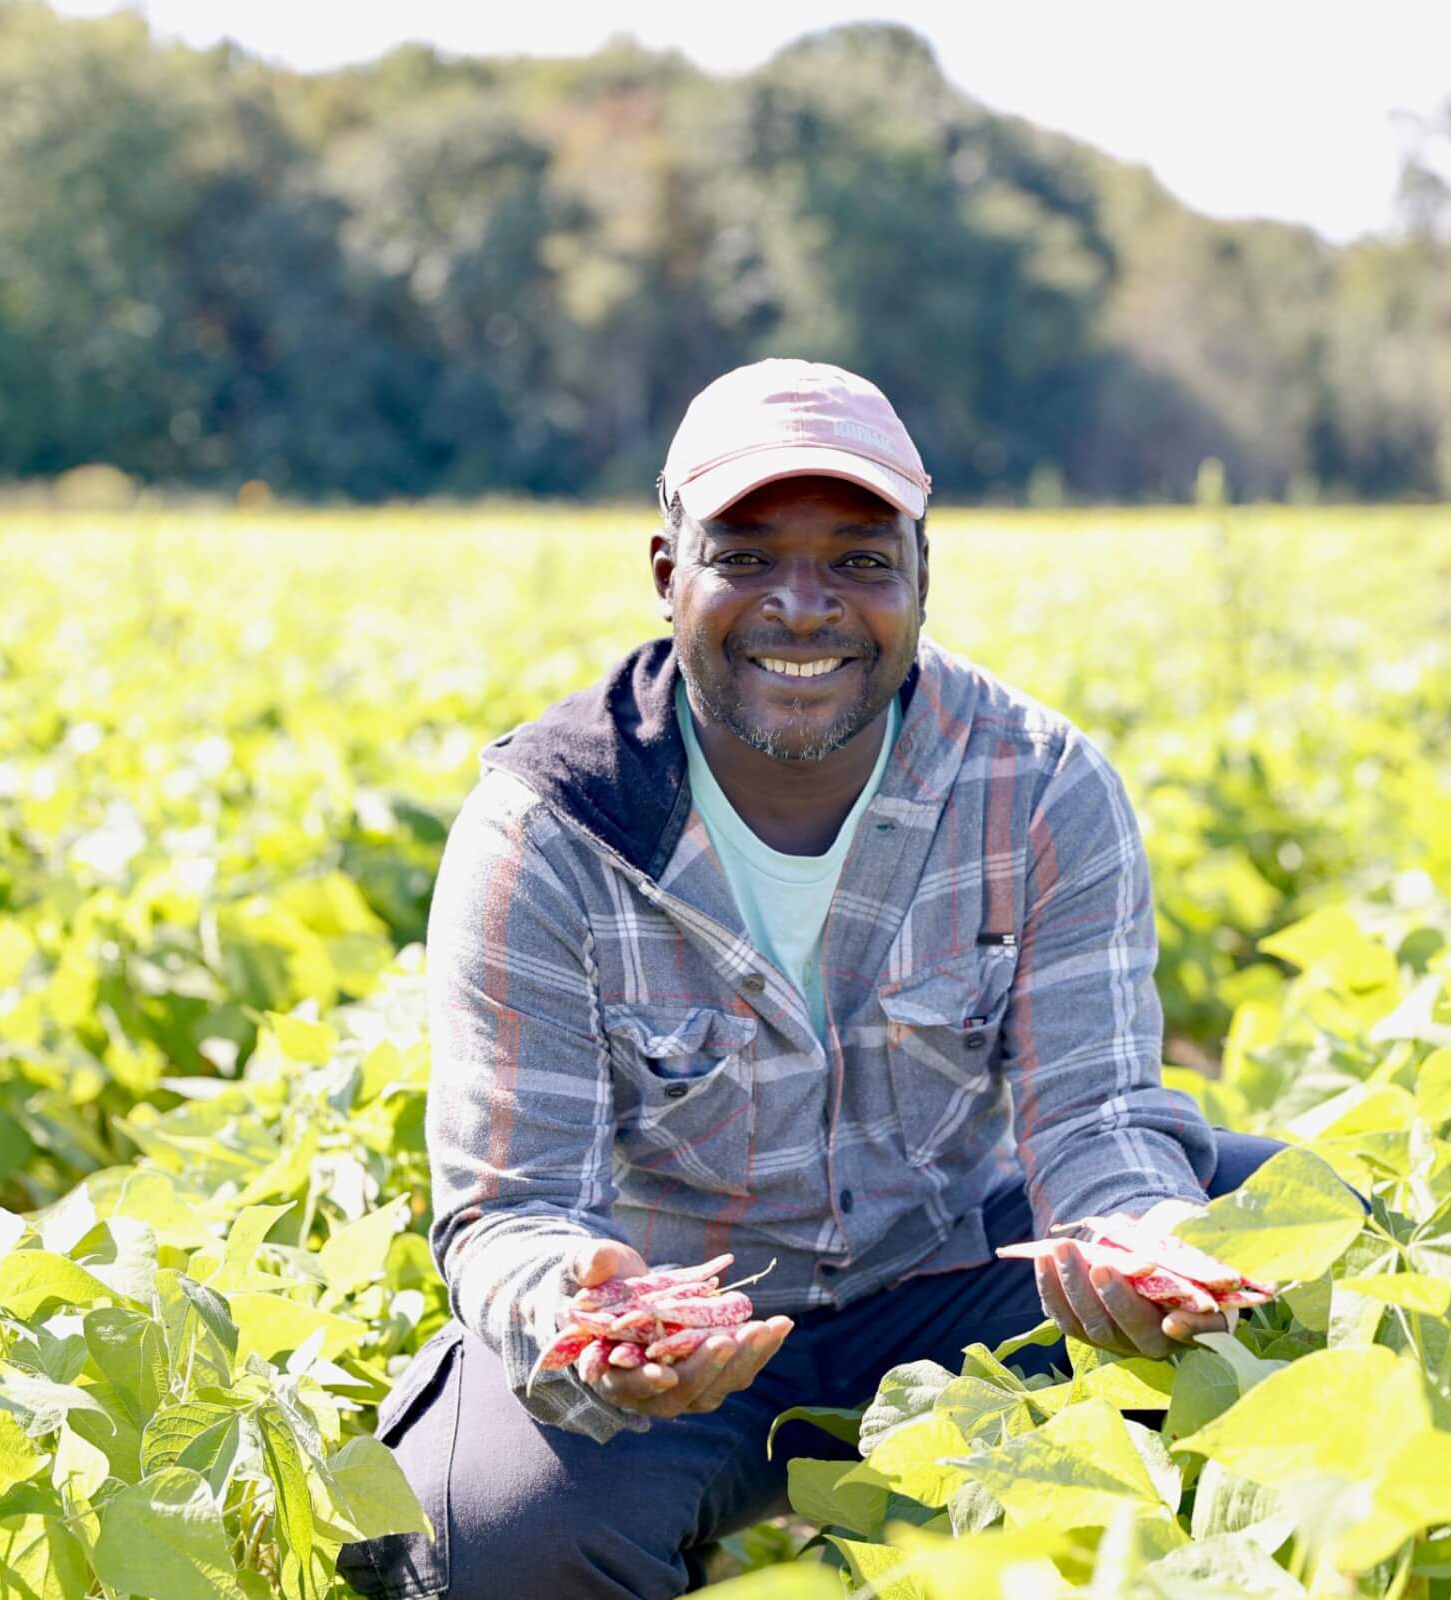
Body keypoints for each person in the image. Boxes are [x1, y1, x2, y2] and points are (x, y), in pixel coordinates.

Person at [339, 359, 1289, 1600]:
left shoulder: (1039, 785)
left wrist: (1147, 1242)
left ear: (919, 580)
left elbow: (1098, 1116)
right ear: (669, 573)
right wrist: (582, 1312)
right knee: (480, 1535)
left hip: (954, 1278)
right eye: (746, 556)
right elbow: (508, 1206)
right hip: (681, 1323)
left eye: (857, 559)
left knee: (1301, 1247)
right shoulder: (549, 831)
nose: (804, 606)